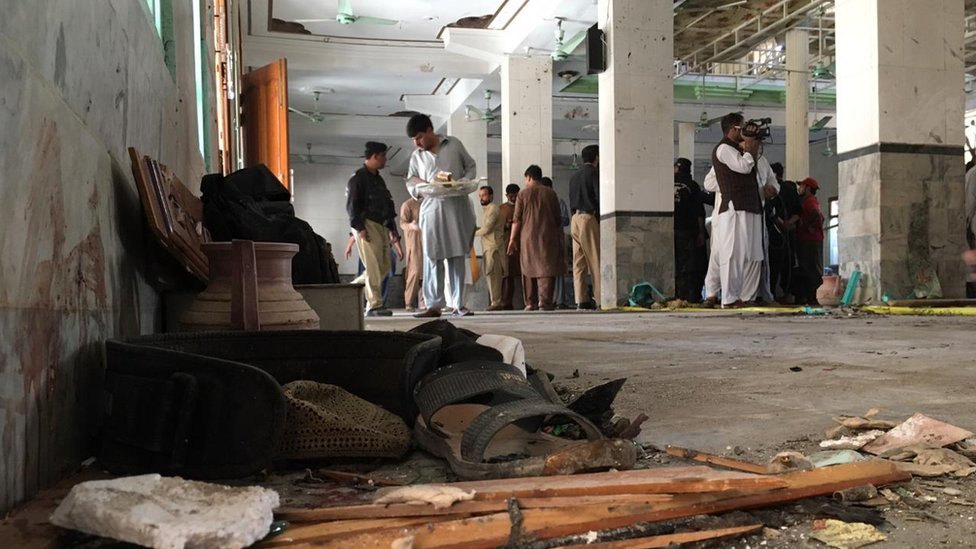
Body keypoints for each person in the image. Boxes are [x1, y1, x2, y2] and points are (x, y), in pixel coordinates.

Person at [405, 113, 477, 318]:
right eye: (414, 140)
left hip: (456, 206)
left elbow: (471, 166)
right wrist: (420, 188)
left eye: (419, 137)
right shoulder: (417, 156)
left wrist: (463, 181)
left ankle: (458, 304)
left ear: (430, 131)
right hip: (432, 208)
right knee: (432, 257)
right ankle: (433, 305)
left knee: (456, 255)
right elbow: (410, 180)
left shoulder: (453, 144)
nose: (417, 143)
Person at [706, 113, 764, 308]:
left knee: (750, 253)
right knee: (733, 253)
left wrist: (750, 147)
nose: (745, 132)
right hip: (734, 208)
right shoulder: (724, 149)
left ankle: (743, 296)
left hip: (748, 206)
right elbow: (744, 167)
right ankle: (729, 298)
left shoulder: (737, 149)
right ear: (733, 129)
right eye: (742, 128)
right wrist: (749, 147)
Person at [346, 141, 401, 317]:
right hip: (367, 225)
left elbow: (387, 205)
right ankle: (374, 305)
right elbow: (352, 206)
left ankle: (350, 289)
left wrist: (393, 230)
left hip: (382, 226)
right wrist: (359, 228)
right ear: (376, 156)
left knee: (384, 267)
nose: (386, 159)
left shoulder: (378, 179)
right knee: (373, 266)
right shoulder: (358, 178)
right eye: (384, 155)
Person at [508, 165, 564, 311]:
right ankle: (544, 302)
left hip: (527, 237)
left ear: (529, 177)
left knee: (527, 268)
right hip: (548, 237)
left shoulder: (522, 194)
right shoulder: (551, 194)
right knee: (546, 268)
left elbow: (517, 220)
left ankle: (530, 302)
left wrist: (512, 239)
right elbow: (558, 219)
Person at [569, 144, 601, 309]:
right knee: (595, 260)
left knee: (578, 262)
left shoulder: (575, 176)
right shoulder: (594, 173)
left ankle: (581, 300)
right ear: (597, 157)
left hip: (575, 218)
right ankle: (601, 298)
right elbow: (598, 196)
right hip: (588, 217)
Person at [673, 158, 707, 302]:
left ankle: (678, 295)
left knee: (676, 265)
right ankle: (691, 297)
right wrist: (701, 232)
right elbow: (699, 211)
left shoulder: (665, 182)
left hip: (671, 230)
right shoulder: (693, 186)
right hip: (689, 231)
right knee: (692, 265)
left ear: (676, 168)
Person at [542, 176, 572, 309]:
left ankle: (558, 300)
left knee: (557, 269)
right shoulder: (540, 202)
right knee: (545, 270)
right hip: (544, 240)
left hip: (556, 238)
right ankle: (547, 299)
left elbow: (565, 220)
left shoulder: (558, 201)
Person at [474, 186, 506, 310]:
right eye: (480, 196)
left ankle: (496, 303)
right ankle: (494, 302)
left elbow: (487, 229)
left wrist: (470, 233)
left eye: (484, 195)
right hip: (488, 248)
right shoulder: (487, 209)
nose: (481, 198)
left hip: (494, 248)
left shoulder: (493, 209)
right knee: (489, 275)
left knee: (494, 276)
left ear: (491, 196)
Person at [796, 177, 825, 306]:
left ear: (807, 188)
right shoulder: (812, 201)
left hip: (810, 240)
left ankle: (813, 298)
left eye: (801, 186)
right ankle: (811, 298)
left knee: (811, 269)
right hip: (810, 239)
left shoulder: (809, 202)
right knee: (809, 268)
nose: (799, 188)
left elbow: (818, 216)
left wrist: (810, 227)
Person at [399, 196, 424, 311]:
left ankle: (422, 301)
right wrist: (411, 226)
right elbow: (402, 223)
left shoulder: (427, 202)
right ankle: (408, 301)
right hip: (414, 242)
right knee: (415, 271)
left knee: (427, 273)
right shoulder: (408, 204)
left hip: (427, 241)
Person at [499, 183, 521, 309]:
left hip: (521, 245)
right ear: (506, 196)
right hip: (505, 245)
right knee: (506, 275)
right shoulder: (501, 209)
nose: (513, 199)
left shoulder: (523, 207)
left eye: (516, 196)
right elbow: (496, 227)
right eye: (511, 196)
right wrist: (506, 225)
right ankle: (505, 302)